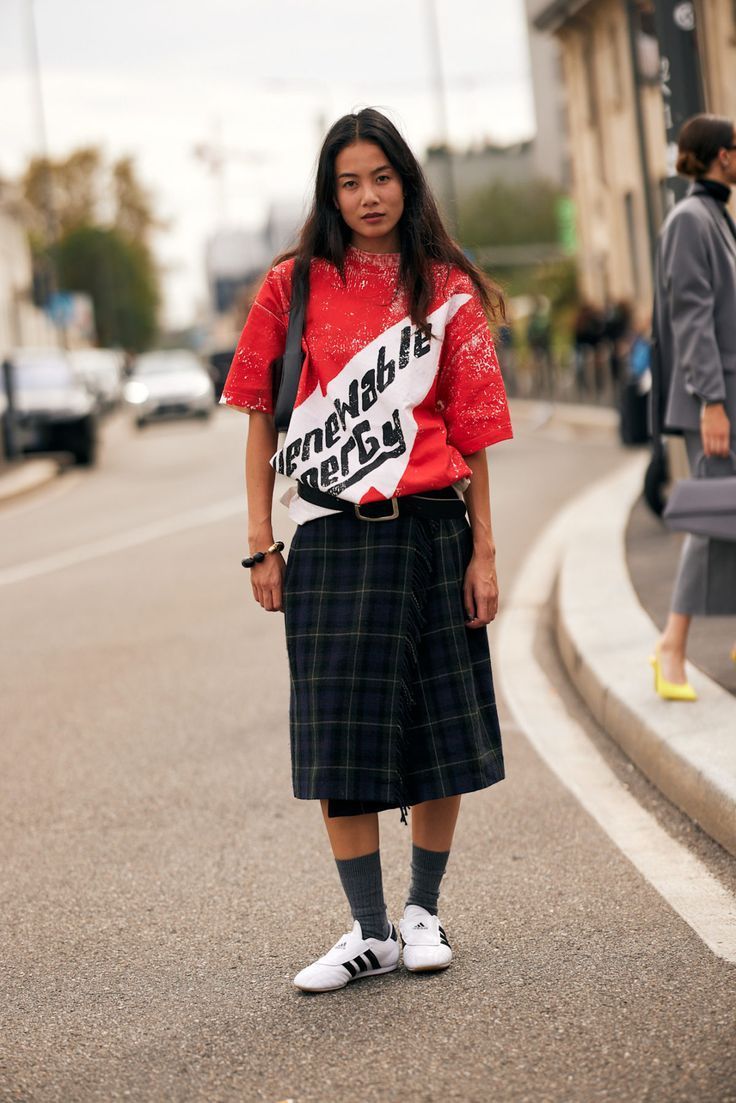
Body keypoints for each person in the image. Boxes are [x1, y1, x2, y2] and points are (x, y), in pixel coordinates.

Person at [221, 108, 512, 991]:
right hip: (331, 538)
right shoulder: (290, 286)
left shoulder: (447, 287)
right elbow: (259, 417)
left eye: (381, 177)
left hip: (431, 527)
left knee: (437, 729)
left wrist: (485, 551)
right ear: (329, 191)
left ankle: (423, 909)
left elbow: (475, 433)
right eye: (349, 182)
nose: (367, 196)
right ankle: (370, 929)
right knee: (338, 740)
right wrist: (259, 543)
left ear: (406, 180)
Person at [650, 113, 736, 700]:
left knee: (727, 518)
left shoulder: (712, 216)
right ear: (721, 156)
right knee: (713, 520)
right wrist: (711, 402)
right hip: (715, 399)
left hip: (724, 395)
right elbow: (691, 317)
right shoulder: (690, 219)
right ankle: (670, 649)